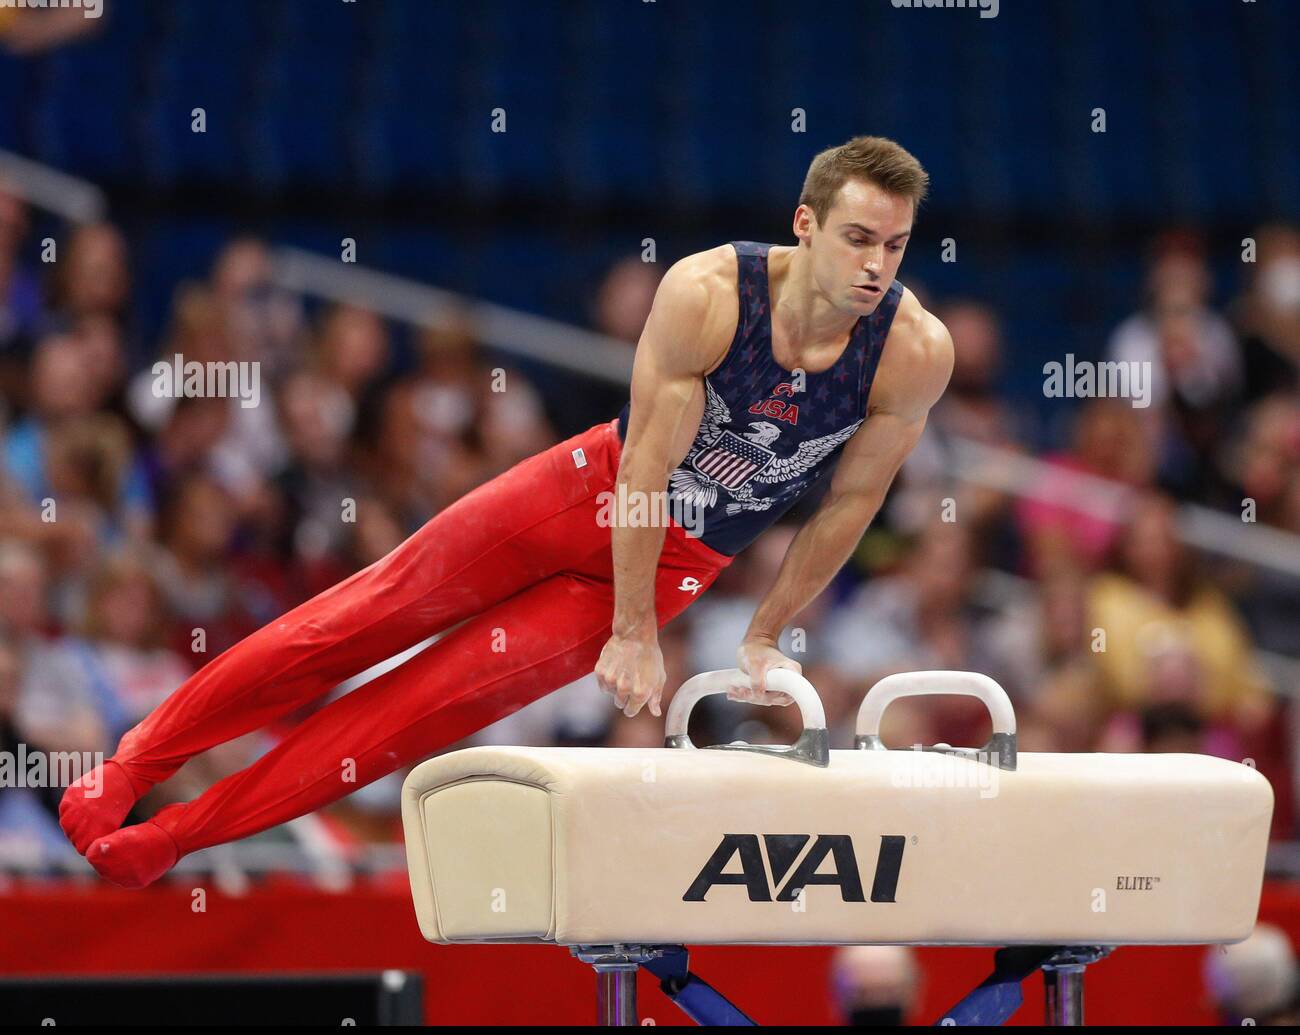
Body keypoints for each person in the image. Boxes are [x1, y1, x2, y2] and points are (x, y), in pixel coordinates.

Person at [59, 134, 954, 887]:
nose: (876, 266)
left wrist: (764, 630)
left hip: (687, 561)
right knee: (357, 620)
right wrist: (634, 626)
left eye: (897, 246)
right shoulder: (712, 296)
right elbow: (645, 466)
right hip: (583, 495)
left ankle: (175, 838)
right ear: (805, 224)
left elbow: (851, 504)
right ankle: (134, 765)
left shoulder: (911, 354)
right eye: (857, 237)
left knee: (410, 714)